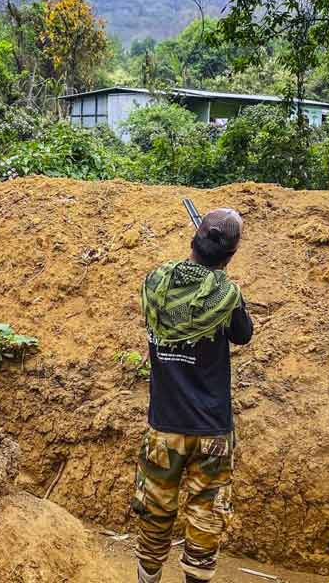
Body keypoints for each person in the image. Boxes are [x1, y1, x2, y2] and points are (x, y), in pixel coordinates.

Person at [133, 208, 254, 583]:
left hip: (164, 425)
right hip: (212, 430)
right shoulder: (226, 297)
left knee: (155, 511)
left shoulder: (155, 284)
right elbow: (243, 334)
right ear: (229, 256)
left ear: (193, 241)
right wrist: (220, 281)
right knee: (205, 516)